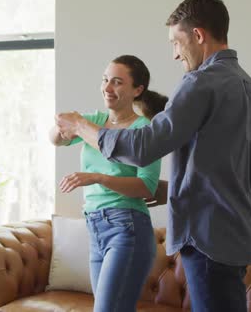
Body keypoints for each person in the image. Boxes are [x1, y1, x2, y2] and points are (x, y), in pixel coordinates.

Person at [55, 0, 251, 312]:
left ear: (198, 35)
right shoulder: (246, 86)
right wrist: (175, 188)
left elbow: (143, 147)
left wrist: (81, 126)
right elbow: (233, 169)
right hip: (234, 233)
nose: (175, 55)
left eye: (176, 42)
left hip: (207, 238)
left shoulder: (200, 83)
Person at [50, 55, 168, 312]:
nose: (107, 88)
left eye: (117, 82)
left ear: (137, 90)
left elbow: (146, 186)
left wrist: (97, 178)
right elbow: (56, 139)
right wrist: (61, 127)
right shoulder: (95, 122)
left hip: (127, 229)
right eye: (105, 80)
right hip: (95, 228)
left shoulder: (144, 130)